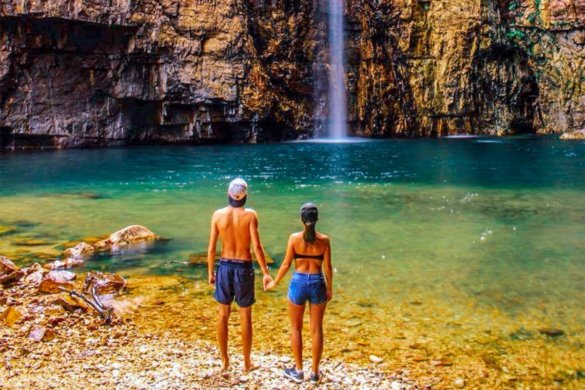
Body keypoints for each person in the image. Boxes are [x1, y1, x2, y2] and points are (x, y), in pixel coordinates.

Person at [207, 178, 273, 371]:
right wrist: (265, 273)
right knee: (245, 317)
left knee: (222, 315)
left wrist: (211, 272)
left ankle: (225, 361)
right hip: (244, 267)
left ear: (228, 194)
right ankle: (246, 362)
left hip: (224, 266)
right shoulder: (251, 215)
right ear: (245, 196)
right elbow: (257, 247)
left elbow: (211, 248)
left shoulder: (217, 215)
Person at [266, 203, 332, 384]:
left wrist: (275, 281)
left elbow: (286, 264)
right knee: (316, 329)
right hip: (318, 281)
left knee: (296, 328)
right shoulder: (324, 240)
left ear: (301, 219)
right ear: (317, 219)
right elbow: (327, 268)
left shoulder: (294, 238)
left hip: (298, 282)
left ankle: (299, 370)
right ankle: (315, 373)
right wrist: (329, 288)